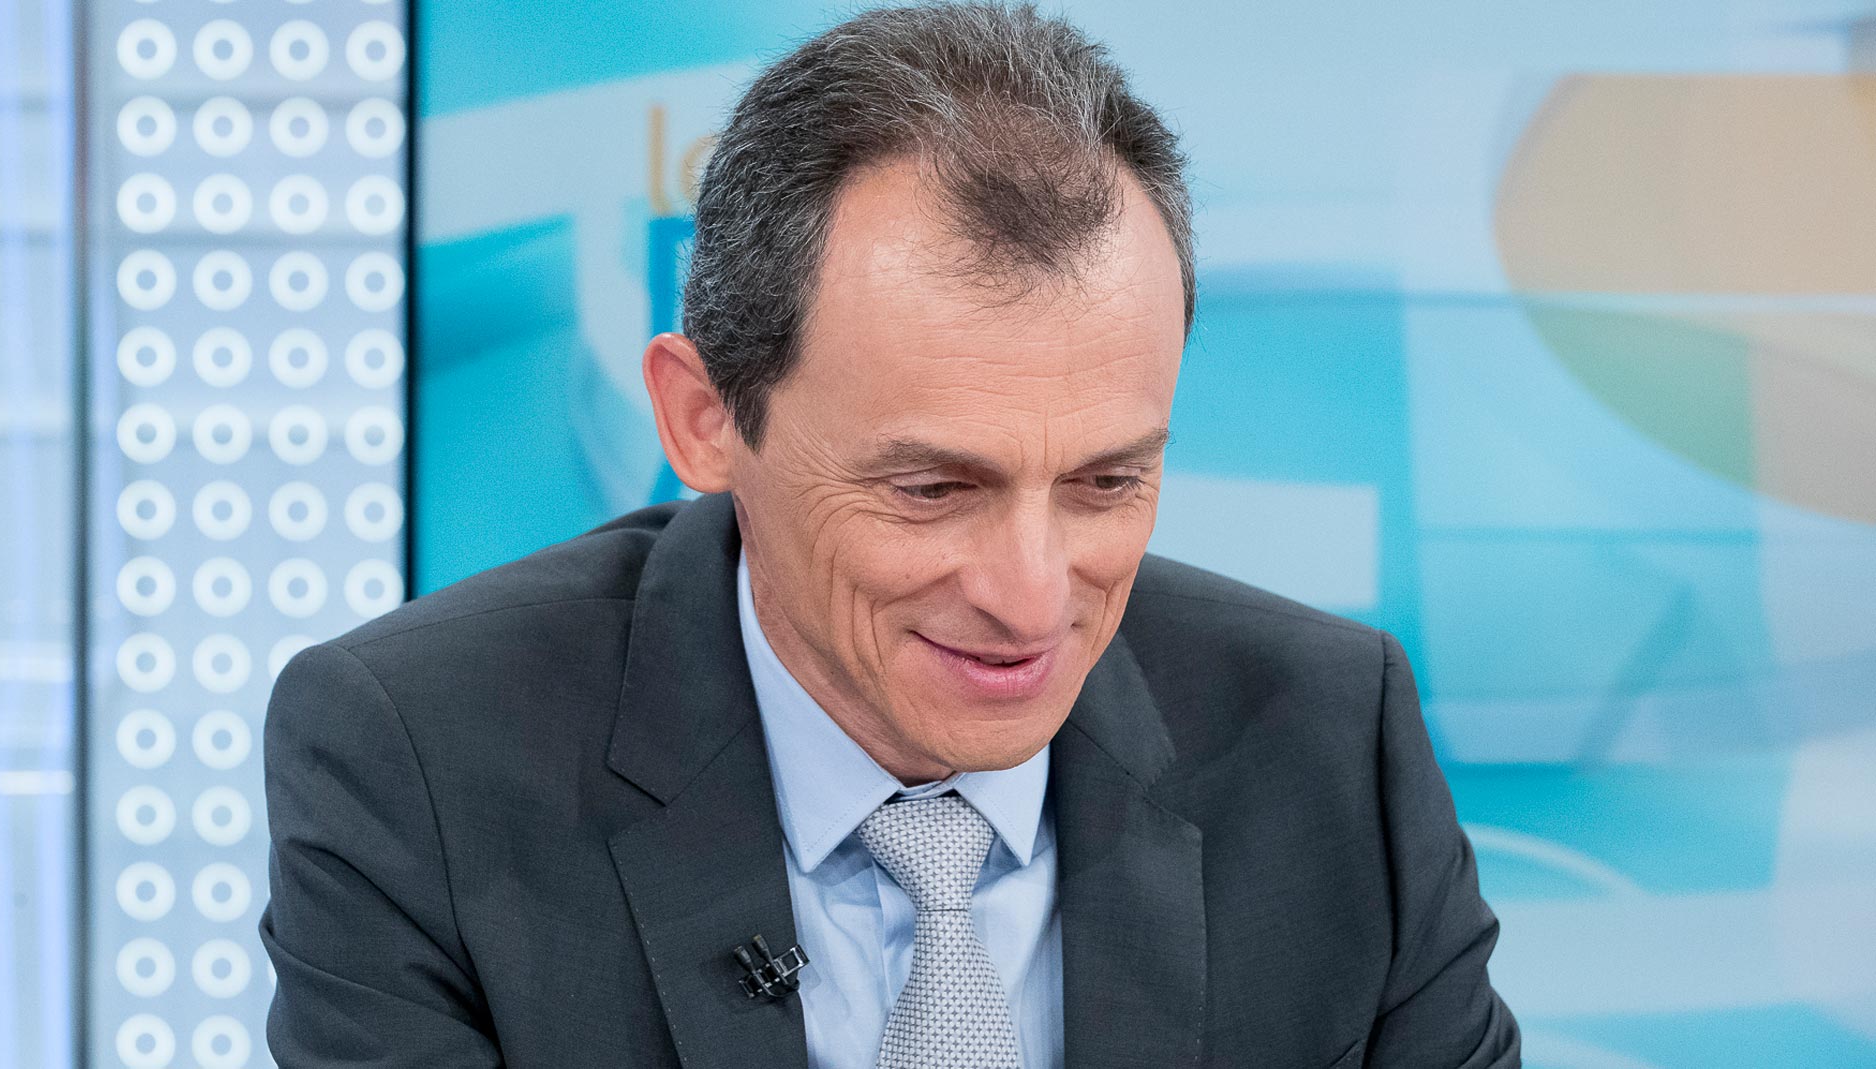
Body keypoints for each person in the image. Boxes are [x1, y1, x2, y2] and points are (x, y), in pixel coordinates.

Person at [258, 4, 1521, 1067]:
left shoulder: (1328, 745)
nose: (1032, 599)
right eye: (931, 490)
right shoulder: (421, 757)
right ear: (705, 420)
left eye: (1104, 483)